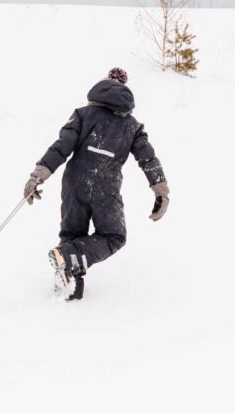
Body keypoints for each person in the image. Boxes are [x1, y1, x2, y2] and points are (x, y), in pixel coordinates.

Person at [24, 67, 170, 300]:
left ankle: (70, 286)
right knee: (114, 236)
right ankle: (70, 287)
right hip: (106, 186)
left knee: (72, 237)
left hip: (74, 183)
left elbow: (61, 146)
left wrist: (38, 175)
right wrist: (161, 191)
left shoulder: (83, 114)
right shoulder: (133, 126)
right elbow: (147, 158)